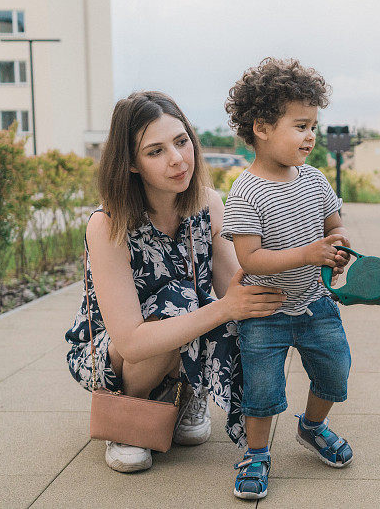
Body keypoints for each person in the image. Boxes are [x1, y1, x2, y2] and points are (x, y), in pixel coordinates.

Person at [65, 91, 286, 473]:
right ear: (131, 164)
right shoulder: (108, 224)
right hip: (113, 355)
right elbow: (131, 341)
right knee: (181, 299)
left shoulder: (209, 204)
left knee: (229, 311)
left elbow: (235, 290)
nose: (178, 159)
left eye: (181, 141)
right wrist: (224, 307)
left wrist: (304, 266)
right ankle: (132, 419)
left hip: (184, 334)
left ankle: (186, 396)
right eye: (155, 152)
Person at [222, 58, 353, 500]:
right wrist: (308, 252)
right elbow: (251, 259)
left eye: (314, 124)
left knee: (335, 370)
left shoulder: (315, 180)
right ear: (261, 126)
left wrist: (336, 248)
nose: (311, 135)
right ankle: (256, 452)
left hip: (316, 302)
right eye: (300, 125)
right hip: (265, 308)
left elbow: (334, 226)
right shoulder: (245, 191)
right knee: (261, 387)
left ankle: (312, 427)